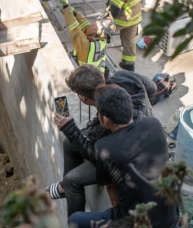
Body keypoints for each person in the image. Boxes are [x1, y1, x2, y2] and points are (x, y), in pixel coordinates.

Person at [46, 64, 156, 217]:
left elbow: (95, 156)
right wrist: (144, 109)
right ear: (102, 77)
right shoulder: (126, 77)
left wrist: (70, 129)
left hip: (128, 158)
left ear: (82, 97)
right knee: (69, 143)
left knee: (72, 180)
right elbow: (153, 88)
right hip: (146, 134)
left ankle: (75, 225)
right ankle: (65, 187)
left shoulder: (106, 124)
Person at [66, 85, 179, 228]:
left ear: (105, 119)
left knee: (74, 220)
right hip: (171, 221)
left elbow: (112, 192)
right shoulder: (153, 124)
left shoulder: (104, 147)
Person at [50, 0, 116, 76]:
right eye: (97, 21)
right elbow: (84, 23)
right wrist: (69, 8)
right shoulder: (101, 40)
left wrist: (65, 9)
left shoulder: (87, 45)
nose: (93, 23)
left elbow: (74, 28)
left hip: (84, 78)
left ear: (101, 33)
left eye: (98, 24)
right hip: (97, 75)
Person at [107, 0, 143, 71]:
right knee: (129, 40)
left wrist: (106, 22)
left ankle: (97, 59)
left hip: (122, 20)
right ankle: (128, 64)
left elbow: (114, 11)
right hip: (135, 17)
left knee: (99, 32)